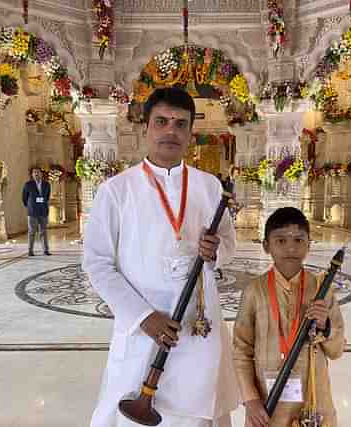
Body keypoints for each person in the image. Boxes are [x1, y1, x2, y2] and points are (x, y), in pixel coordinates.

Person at [83, 87, 238, 427]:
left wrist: (216, 252)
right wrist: (143, 317)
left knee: (198, 411)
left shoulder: (209, 186)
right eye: (162, 121)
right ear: (146, 128)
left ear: (190, 134)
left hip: (198, 328)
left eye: (181, 124)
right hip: (143, 332)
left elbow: (228, 242)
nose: (171, 131)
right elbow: (97, 263)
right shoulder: (117, 191)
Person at [233, 207, 345, 427]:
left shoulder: (322, 289)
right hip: (267, 405)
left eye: (298, 240)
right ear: (266, 246)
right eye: (281, 240)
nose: (291, 247)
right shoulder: (254, 291)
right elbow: (241, 351)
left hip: (313, 401)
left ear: (309, 244)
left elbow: (337, 350)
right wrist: (251, 399)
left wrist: (325, 326)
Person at [22, 168, 51, 256]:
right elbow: (24, 198)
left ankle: (45, 250)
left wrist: (41, 202)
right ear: (32, 174)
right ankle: (30, 251)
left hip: (43, 211)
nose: (36, 174)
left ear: (41, 174)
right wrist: (31, 206)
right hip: (32, 212)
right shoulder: (28, 184)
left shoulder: (47, 184)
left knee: (43, 231)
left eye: (38, 172)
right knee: (31, 232)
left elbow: (47, 196)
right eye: (34, 172)